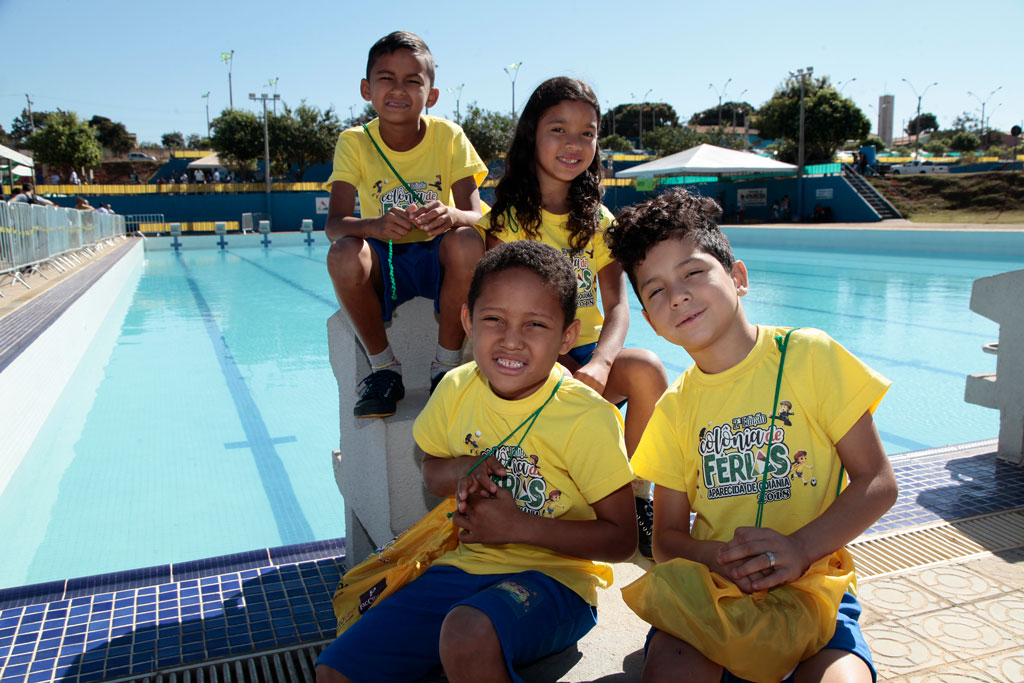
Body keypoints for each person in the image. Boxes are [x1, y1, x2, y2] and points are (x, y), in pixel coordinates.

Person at [606, 188, 899, 682]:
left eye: (693, 272)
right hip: (712, 590)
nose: (676, 295)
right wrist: (714, 556)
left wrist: (801, 548)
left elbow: (877, 481)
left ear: (738, 277)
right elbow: (667, 541)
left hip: (813, 586)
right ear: (652, 323)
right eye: (655, 291)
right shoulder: (675, 408)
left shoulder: (809, 356)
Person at [315, 240, 638, 683]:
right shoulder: (456, 388)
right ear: (467, 320)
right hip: (465, 565)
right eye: (494, 319)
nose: (511, 339)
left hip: (557, 581)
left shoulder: (587, 418)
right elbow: (431, 469)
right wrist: (464, 469)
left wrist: (519, 527)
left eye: (535, 324)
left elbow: (621, 540)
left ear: (567, 335)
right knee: (337, 668)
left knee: (466, 634)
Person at [480, 76, 668, 557]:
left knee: (646, 370)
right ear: (531, 136)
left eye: (588, 133)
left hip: (584, 353)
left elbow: (619, 307)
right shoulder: (510, 220)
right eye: (559, 129)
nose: (574, 143)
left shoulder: (598, 221)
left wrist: (602, 363)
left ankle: (637, 498)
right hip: (533, 355)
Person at [324, 30, 488, 418]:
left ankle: (444, 368)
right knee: (343, 253)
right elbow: (334, 224)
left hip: (437, 255)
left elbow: (480, 217)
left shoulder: (448, 136)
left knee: (467, 241)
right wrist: (375, 227)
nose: (398, 90)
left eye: (413, 81)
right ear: (367, 89)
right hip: (385, 260)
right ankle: (384, 370)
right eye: (386, 79)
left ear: (431, 95)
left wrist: (451, 215)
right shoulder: (354, 141)